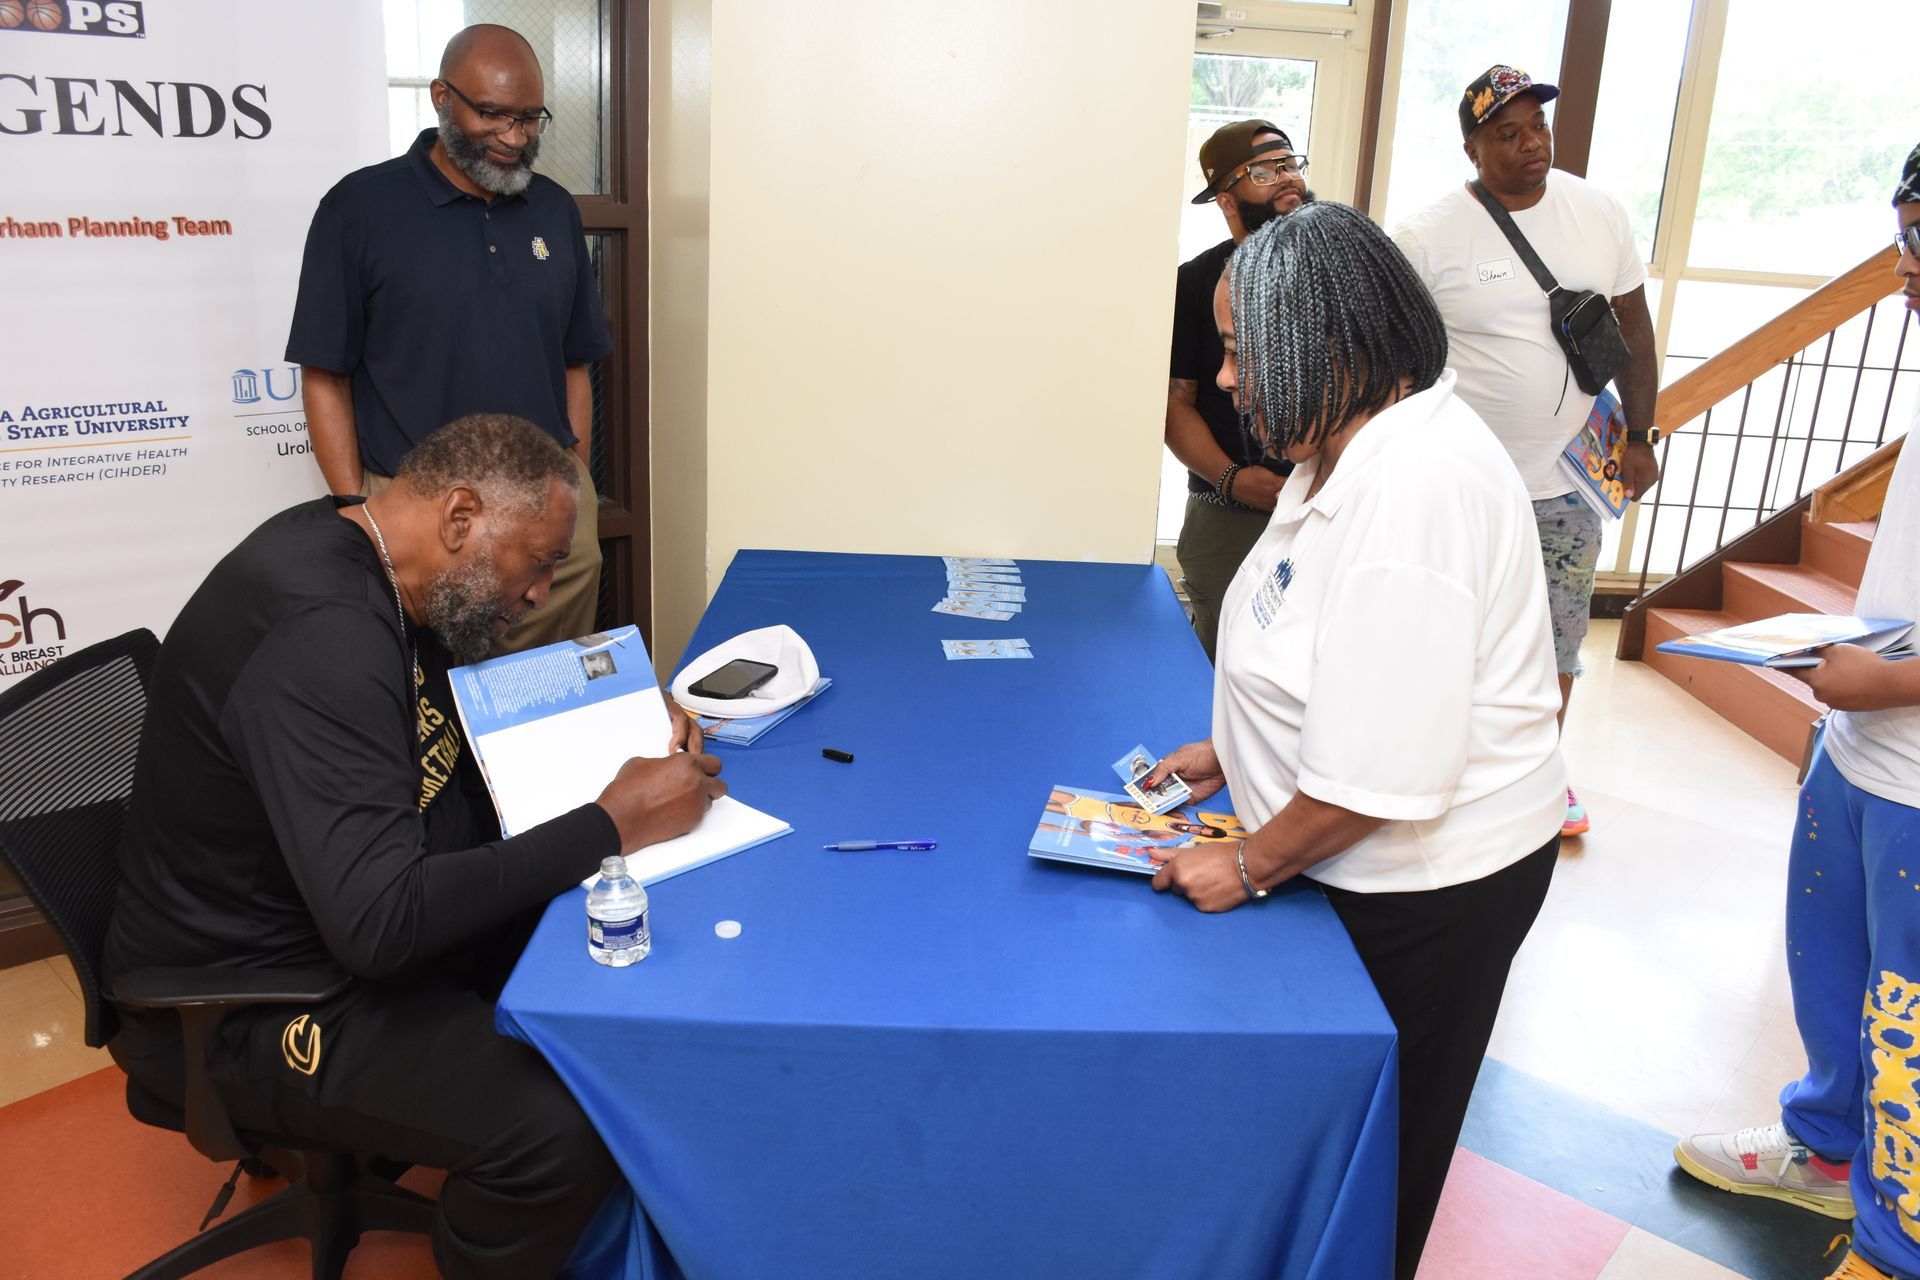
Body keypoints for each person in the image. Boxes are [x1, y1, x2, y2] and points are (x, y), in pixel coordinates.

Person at [102, 414, 726, 1280]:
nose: (543, 592)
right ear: (462, 517)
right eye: (538, 560)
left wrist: (618, 732)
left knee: (637, 957)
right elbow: (382, 927)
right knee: (563, 1126)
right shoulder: (323, 637)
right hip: (253, 1000)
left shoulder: (392, 569)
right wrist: (611, 822)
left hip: (344, 917)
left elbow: (454, 752)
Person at [1149, 202, 1566, 1280]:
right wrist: (1232, 743)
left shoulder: (1412, 491)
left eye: (1242, 352)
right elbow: (1314, 635)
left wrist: (1244, 858)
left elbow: (1381, 774)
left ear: (1328, 346)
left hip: (1433, 882)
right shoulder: (1342, 443)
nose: (1229, 380)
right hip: (1366, 838)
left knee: (1379, 1156)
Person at [1674, 145, 1920, 1280]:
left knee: (1910, 1023)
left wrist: (1900, 680)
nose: (1903, 268)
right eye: (1902, 233)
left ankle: (1898, 1240)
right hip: (1860, 747)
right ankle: (1825, 1147)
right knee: (1833, 975)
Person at [1392, 64, 1660, 838]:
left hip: (1570, 480)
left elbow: (1633, 329)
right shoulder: (1427, 235)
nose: (1531, 145)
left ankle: (1541, 777)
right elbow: (1394, 359)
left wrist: (1639, 435)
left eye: (1537, 127)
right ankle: (1434, 772)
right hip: (1461, 484)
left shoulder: (1598, 211)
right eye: (1507, 134)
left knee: (1559, 638)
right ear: (1472, 148)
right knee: (1451, 634)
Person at [286, 23, 611, 653]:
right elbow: (325, 372)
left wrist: (572, 478)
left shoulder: (554, 211)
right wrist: (355, 504)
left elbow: (575, 363)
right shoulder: (358, 209)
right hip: (427, 515)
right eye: (492, 114)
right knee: (435, 705)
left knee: (551, 692)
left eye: (529, 119)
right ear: (441, 97)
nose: (514, 138)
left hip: (547, 511)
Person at [1166, 119, 1310, 659]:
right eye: (1264, 171)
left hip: (1324, 508)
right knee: (1219, 667)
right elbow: (1174, 402)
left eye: (1291, 163)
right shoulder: (1195, 284)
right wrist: (1231, 480)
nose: (1286, 178)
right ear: (1226, 201)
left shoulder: (1335, 274)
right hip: (1228, 516)